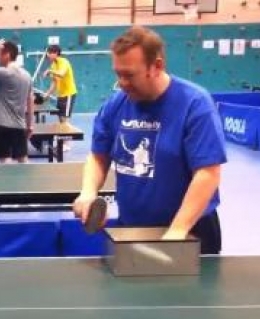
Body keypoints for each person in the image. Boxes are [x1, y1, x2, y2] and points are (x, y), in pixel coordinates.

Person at [73, 25, 226, 254]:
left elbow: (208, 173)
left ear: (157, 66)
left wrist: (177, 231)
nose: (122, 83)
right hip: (131, 228)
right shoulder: (116, 105)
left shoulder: (195, 104)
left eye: (129, 74)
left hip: (190, 232)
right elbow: (98, 156)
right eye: (118, 74)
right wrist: (88, 192)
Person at [42, 44, 78, 151]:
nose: (47, 55)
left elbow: (61, 74)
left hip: (69, 94)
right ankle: (61, 142)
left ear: (56, 53)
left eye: (49, 52)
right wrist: (47, 95)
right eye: (47, 52)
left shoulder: (64, 62)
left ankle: (66, 144)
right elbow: (54, 83)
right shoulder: (53, 65)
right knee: (60, 119)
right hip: (60, 95)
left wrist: (49, 71)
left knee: (64, 120)